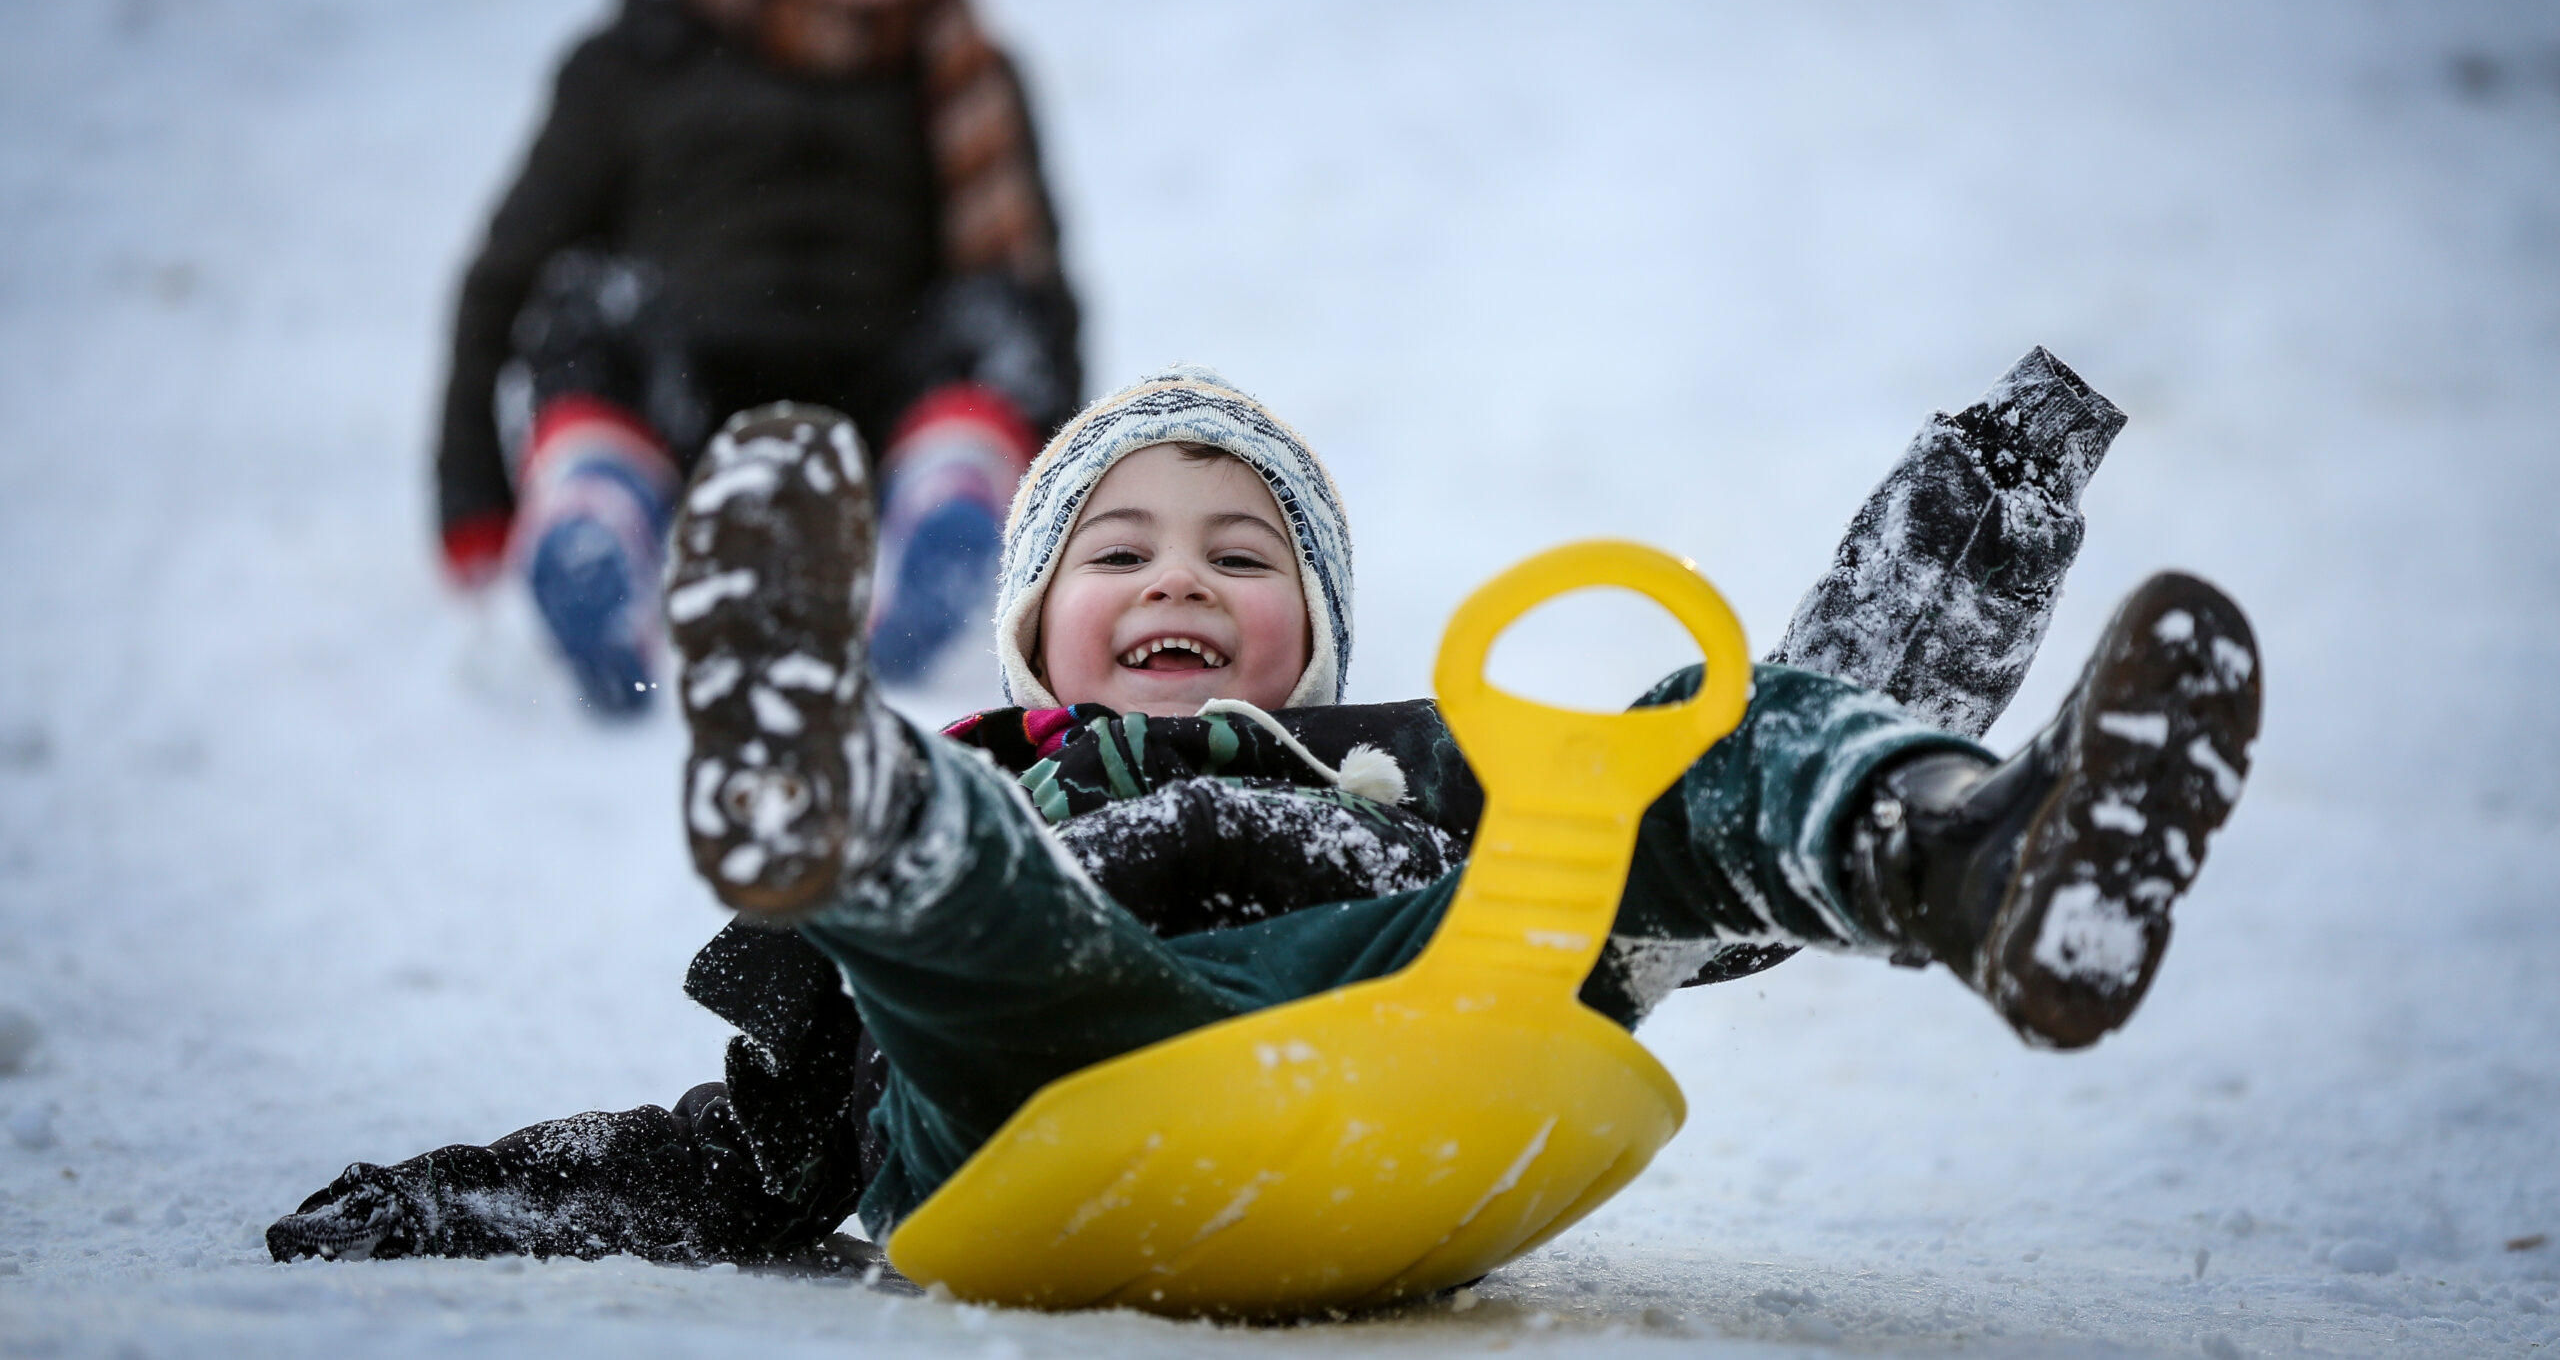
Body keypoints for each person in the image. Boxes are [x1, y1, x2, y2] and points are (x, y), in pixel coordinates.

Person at [272, 354, 2261, 1273]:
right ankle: (825, 776)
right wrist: (461, 1194)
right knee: (958, 896)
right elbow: (743, 1155)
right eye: (1118, 548)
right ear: (1037, 622)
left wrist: (1968, 527)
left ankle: (1993, 867)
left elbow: (1717, 838)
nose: (1178, 581)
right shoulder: (1016, 768)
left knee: (1670, 752)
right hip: (1033, 1068)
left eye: (1242, 554)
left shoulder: (1418, 758)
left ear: (1313, 634)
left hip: (1417, 1003)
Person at [434, 0, 1083, 713]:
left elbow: (1042, 303)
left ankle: (950, 525)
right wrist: (470, 497)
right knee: (588, 302)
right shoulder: (635, 66)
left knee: (1001, 314)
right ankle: (595, 527)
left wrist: (1068, 528)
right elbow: (504, 277)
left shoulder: (959, 66)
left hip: (883, 428)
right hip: (682, 411)